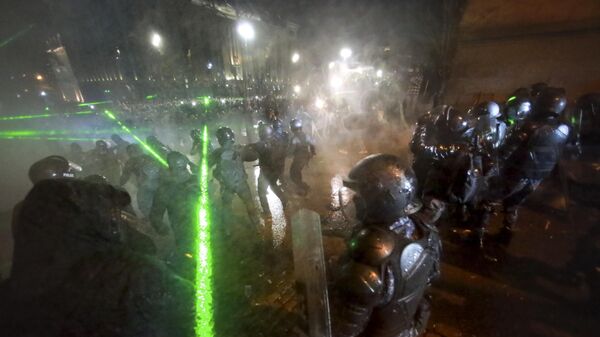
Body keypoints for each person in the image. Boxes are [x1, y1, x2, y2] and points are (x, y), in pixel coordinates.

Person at [0, 177, 193, 337]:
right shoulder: (133, 276)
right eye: (108, 212)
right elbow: (194, 313)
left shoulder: (10, 296)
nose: (115, 219)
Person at [331, 154, 442, 337]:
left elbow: (344, 328)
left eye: (360, 196)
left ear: (382, 201)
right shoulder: (427, 231)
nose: (354, 201)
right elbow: (431, 277)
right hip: (409, 327)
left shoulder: (372, 255)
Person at [490, 87, 570, 245]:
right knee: (513, 204)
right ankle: (506, 234)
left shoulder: (531, 126)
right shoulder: (563, 130)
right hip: (536, 179)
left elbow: (507, 150)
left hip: (517, 173)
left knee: (487, 197)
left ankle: (477, 234)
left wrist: (493, 164)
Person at [149, 151, 199, 277]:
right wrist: (159, 225)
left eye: (184, 168)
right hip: (184, 230)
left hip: (205, 226)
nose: (184, 172)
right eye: (180, 169)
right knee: (190, 257)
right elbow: (155, 213)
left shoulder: (196, 180)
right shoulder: (166, 189)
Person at [210, 127, 261, 229]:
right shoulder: (239, 149)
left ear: (220, 139)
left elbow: (207, 164)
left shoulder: (216, 153)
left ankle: (227, 229)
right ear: (232, 137)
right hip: (241, 183)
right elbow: (254, 157)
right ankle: (256, 224)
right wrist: (248, 149)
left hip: (226, 185)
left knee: (226, 207)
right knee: (248, 202)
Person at [246, 122, 288, 224]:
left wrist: (247, 146)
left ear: (261, 133)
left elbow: (250, 150)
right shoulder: (277, 141)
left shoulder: (260, 144)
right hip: (276, 170)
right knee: (273, 185)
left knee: (261, 192)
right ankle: (284, 200)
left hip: (266, 172)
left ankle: (267, 213)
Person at [120, 144, 163, 216]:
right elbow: (125, 176)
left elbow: (125, 176)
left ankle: (152, 219)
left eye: (133, 151)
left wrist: (119, 184)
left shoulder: (133, 161)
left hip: (149, 186)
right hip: (154, 185)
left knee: (146, 205)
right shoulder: (148, 158)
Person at [288, 118, 316, 196]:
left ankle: (304, 188)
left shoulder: (294, 138)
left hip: (299, 158)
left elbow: (290, 151)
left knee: (293, 174)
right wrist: (313, 152)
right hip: (306, 157)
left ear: (292, 128)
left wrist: (287, 154)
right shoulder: (306, 135)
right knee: (297, 171)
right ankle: (301, 187)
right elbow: (312, 144)